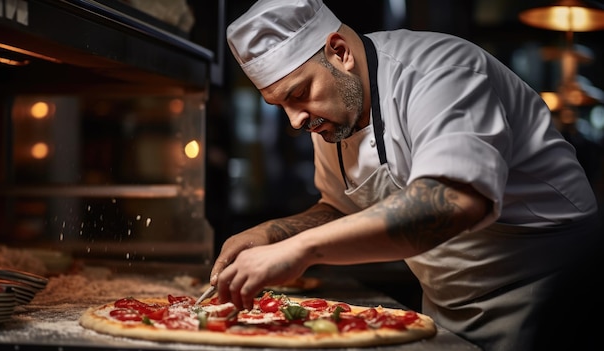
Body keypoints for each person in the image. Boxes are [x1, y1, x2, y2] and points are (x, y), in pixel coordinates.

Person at [209, 0, 602, 350]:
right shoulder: (332, 114)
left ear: (339, 51)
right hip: (448, 312)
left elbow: (451, 203)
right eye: (280, 105)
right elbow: (343, 210)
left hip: (550, 300)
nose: (295, 120)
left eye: (297, 94)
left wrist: (299, 250)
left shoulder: (442, 72)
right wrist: (273, 233)